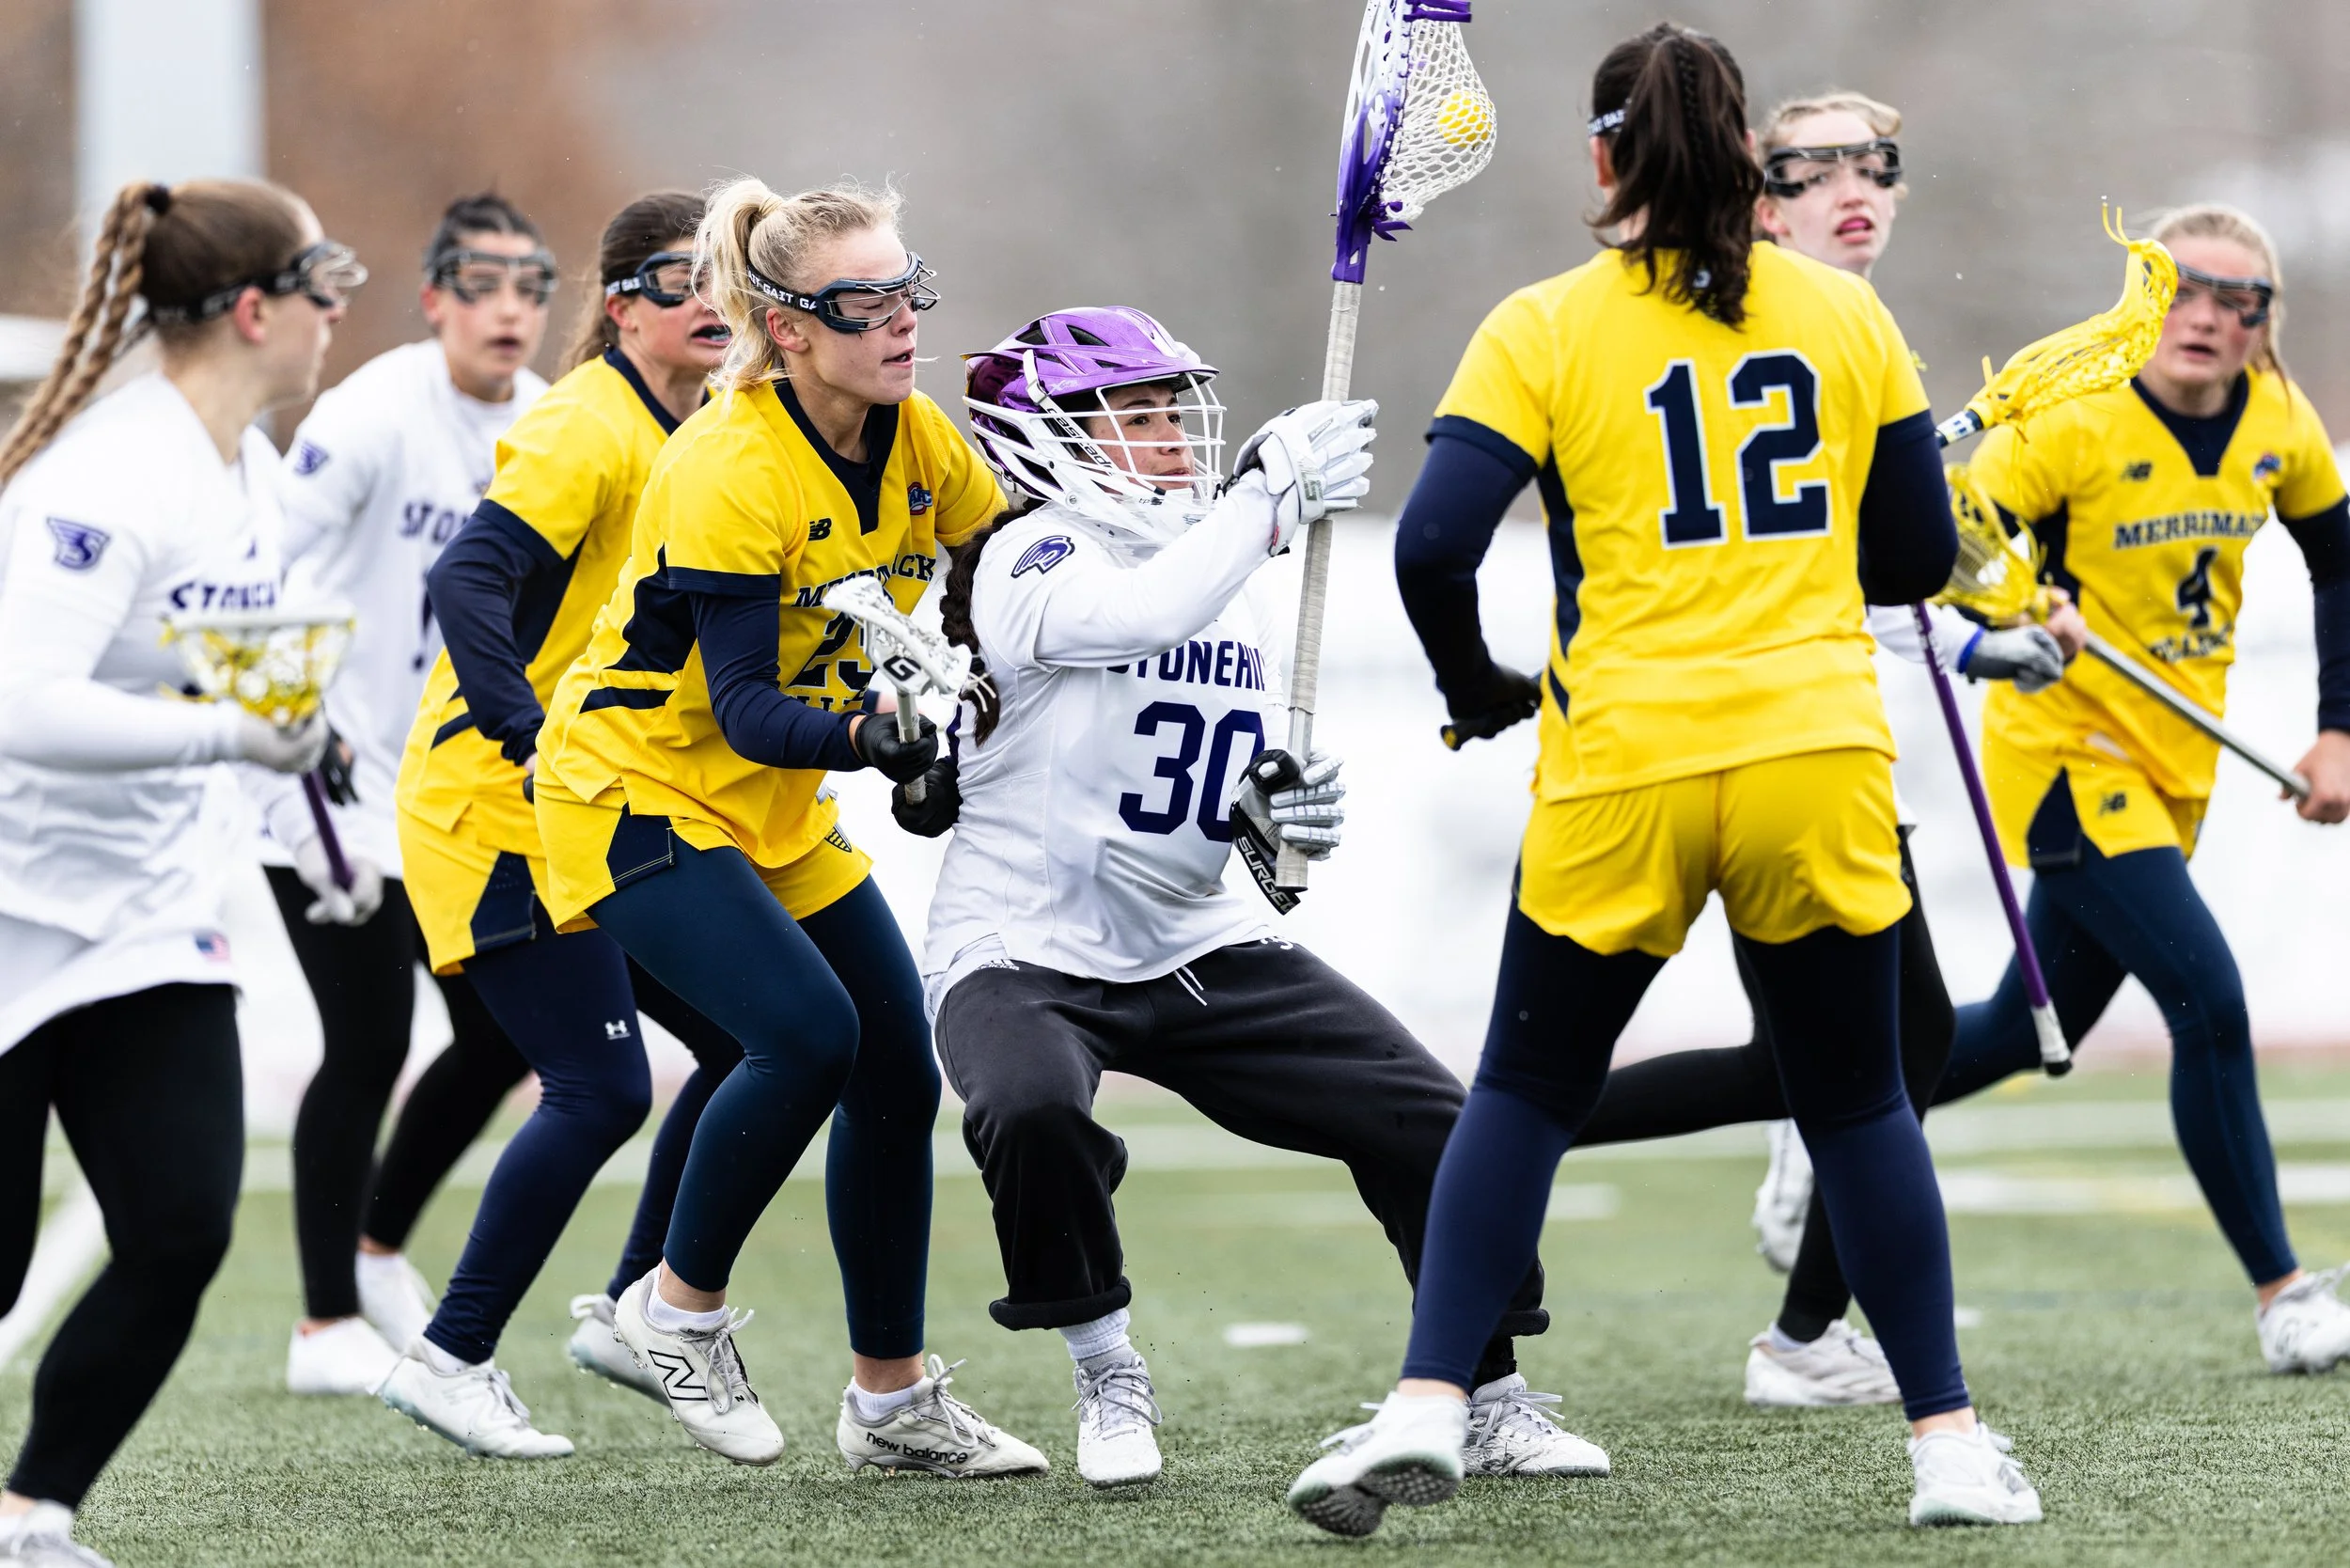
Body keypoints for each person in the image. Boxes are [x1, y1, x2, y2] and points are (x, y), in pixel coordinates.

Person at [1287, 24, 2041, 1534]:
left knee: (1520, 1089)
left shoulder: (1544, 323)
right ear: (1751, 162)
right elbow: (1906, 560)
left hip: (1622, 756)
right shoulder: (1842, 318)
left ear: (1603, 155)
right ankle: (1948, 1443)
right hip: (1810, 754)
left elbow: (1435, 546)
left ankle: (1436, 1395)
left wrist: (1480, 689)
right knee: (1859, 1107)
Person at [886, 306, 1601, 1488]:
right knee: (1028, 1108)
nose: (1171, 437)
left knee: (1434, 1117)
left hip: (1191, 939)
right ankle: (1104, 1364)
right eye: (1140, 414)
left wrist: (1275, 816)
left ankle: (1486, 1391)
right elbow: (1136, 617)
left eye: (1175, 412)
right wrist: (1261, 503)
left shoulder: (1238, 584)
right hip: (1024, 946)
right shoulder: (1030, 554)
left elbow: (1204, 781)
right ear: (1050, 434)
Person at [1564, 90, 2079, 1410]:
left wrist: (2003, 612)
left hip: (1824, 741)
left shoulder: (1854, 325)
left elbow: (1898, 564)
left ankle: (1786, 1319)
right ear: (1761, 192)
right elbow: (1825, 566)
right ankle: (1784, 1328)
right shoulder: (1778, 319)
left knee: (1860, 1057)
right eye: (1816, 165)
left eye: (1878, 162)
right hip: (1755, 737)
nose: (1856, 185)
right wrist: (1973, 634)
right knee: (1866, 1059)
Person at [532, 177, 1042, 1476]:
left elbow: (1013, 579)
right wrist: (876, 743)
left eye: (905, 286)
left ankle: (890, 1401)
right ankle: (670, 1308)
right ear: (790, 326)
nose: (901, 321)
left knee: (893, 1070)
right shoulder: (728, 460)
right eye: (861, 300)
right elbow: (751, 708)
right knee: (809, 1035)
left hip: (765, 807)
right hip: (631, 786)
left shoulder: (919, 434)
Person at [0, 179, 358, 1568]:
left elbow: (260, 699)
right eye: (324, 285)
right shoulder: (109, 476)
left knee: (179, 1221)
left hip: (141, 925)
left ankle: (31, 1517)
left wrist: (328, 825)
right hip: (12, 909)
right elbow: (19, 701)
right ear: (258, 310)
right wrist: (234, 731)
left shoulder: (253, 476)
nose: (340, 314)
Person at [1928, 201, 2350, 1372]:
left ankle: (1840, 1123)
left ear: (2266, 326)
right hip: (2064, 757)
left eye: (2237, 301)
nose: (2207, 317)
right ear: (2144, 300)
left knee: (2021, 1032)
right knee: (2207, 1002)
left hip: (2176, 769)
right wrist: (2014, 598)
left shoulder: (2278, 419)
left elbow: (2338, 560)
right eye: (2183, 291)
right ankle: (2282, 1295)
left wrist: (2338, 732)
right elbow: (1939, 538)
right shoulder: (2066, 418)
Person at [371, 192, 747, 1458]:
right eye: (676, 277)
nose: (707, 300)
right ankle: (450, 1354)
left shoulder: (715, 430)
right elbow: (463, 577)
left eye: (727, 279)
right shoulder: (588, 420)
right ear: (620, 302)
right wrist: (532, 737)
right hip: (494, 804)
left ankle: (642, 1303)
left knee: (768, 1035)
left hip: (598, 803)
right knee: (596, 1088)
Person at [268, 191, 555, 1397]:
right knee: (371, 1036)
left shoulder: (548, 427)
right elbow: (264, 566)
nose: (507, 310)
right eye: (480, 286)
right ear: (433, 296)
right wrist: (295, 718)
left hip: (460, 793)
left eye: (530, 288)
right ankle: (325, 1323)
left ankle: (378, 1249)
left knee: (502, 1034)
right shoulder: (373, 411)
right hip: (330, 777)